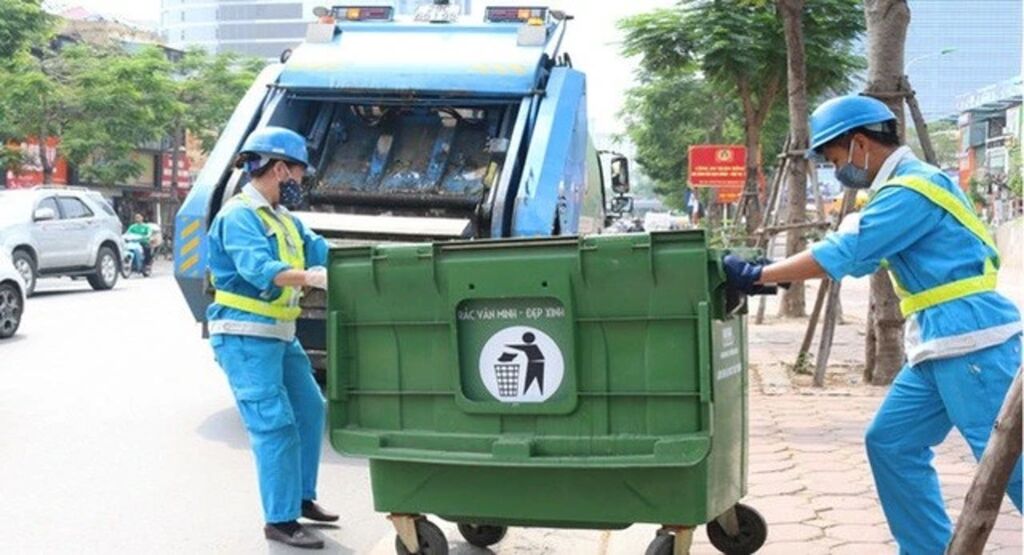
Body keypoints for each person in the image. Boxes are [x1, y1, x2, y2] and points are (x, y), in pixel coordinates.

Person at [722, 95, 1022, 554]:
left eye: (835, 158)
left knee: (1008, 461)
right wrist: (773, 274)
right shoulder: (899, 189)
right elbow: (856, 255)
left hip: (970, 340)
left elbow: (848, 252)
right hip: (935, 343)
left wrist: (755, 274)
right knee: (891, 443)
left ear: (859, 144)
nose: (837, 169)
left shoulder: (912, 190)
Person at [206, 126, 337, 549]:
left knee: (310, 409)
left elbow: (323, 250)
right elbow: (258, 269)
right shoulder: (239, 216)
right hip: (245, 336)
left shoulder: (283, 218)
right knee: (274, 425)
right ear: (280, 169)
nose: (301, 182)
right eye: (299, 173)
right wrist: (311, 278)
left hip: (279, 335)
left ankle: (300, 497)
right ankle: (280, 520)